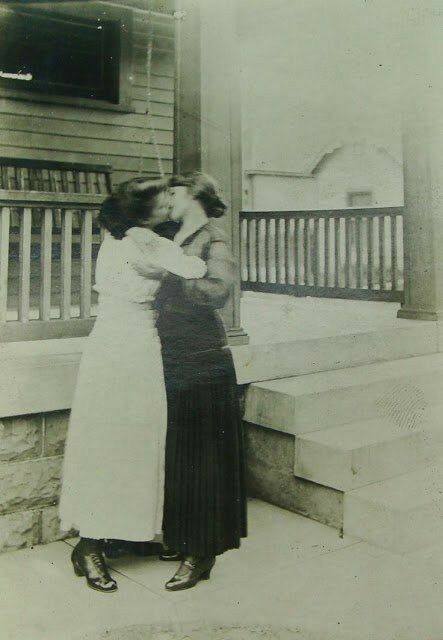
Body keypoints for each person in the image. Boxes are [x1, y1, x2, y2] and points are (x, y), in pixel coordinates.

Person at [58, 178, 207, 593]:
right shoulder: (142, 241)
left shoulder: (123, 236)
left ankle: (119, 532)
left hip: (123, 344)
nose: (169, 203)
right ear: (144, 212)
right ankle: (89, 546)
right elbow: (194, 269)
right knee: (111, 440)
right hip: (125, 348)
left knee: (131, 440)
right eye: (163, 200)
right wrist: (189, 235)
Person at [154, 172, 247, 591]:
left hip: (202, 356)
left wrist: (176, 273)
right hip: (171, 353)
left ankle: (201, 552)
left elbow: (217, 291)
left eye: (173, 192)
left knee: (203, 455)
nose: (167, 198)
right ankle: (181, 537)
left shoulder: (214, 240)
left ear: (193, 195)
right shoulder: (171, 234)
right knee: (179, 449)